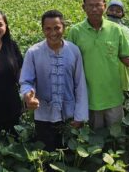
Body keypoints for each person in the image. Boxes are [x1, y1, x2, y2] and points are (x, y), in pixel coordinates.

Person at [66, 0, 129, 129]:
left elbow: (124, 55)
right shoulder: (75, 31)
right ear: (83, 7)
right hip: (88, 96)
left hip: (113, 95)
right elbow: (69, 64)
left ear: (104, 6)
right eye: (90, 5)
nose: (94, 9)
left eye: (98, 5)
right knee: (95, 136)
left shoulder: (116, 29)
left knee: (116, 136)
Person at [19, 10, 88, 151]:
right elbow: (26, 81)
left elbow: (80, 85)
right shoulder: (33, 52)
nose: (53, 33)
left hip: (70, 116)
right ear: (42, 29)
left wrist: (80, 115)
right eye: (48, 29)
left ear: (64, 27)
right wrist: (27, 96)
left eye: (57, 28)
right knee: (47, 155)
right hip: (44, 115)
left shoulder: (74, 51)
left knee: (68, 157)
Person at [105, 0, 129, 95]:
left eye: (118, 11)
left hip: (124, 74)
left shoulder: (126, 30)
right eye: (111, 10)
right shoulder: (101, 28)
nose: (114, 13)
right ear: (106, 11)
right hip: (106, 75)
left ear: (123, 14)